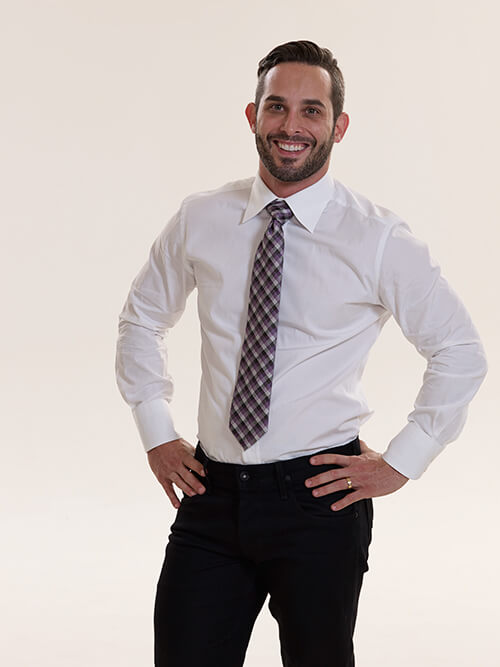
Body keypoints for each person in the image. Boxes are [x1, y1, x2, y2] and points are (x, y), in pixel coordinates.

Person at [115, 40, 487, 667]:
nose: (292, 125)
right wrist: (157, 433)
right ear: (252, 116)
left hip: (320, 500)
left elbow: (459, 350)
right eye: (277, 107)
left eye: (312, 110)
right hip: (211, 494)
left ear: (339, 126)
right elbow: (142, 318)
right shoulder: (201, 217)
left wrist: (404, 461)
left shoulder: (378, 238)